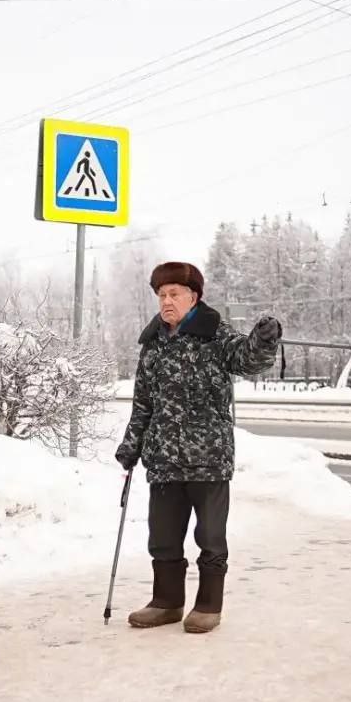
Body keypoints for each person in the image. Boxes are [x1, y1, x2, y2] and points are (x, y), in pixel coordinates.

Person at [114, 261, 282, 634]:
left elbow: (247, 359)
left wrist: (264, 339)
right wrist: (132, 445)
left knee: (209, 537)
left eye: (174, 294)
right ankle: (167, 602)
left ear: (194, 297)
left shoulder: (215, 335)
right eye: (162, 295)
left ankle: (208, 605)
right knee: (162, 537)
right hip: (164, 459)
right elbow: (143, 402)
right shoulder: (153, 344)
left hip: (208, 458)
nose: (167, 301)